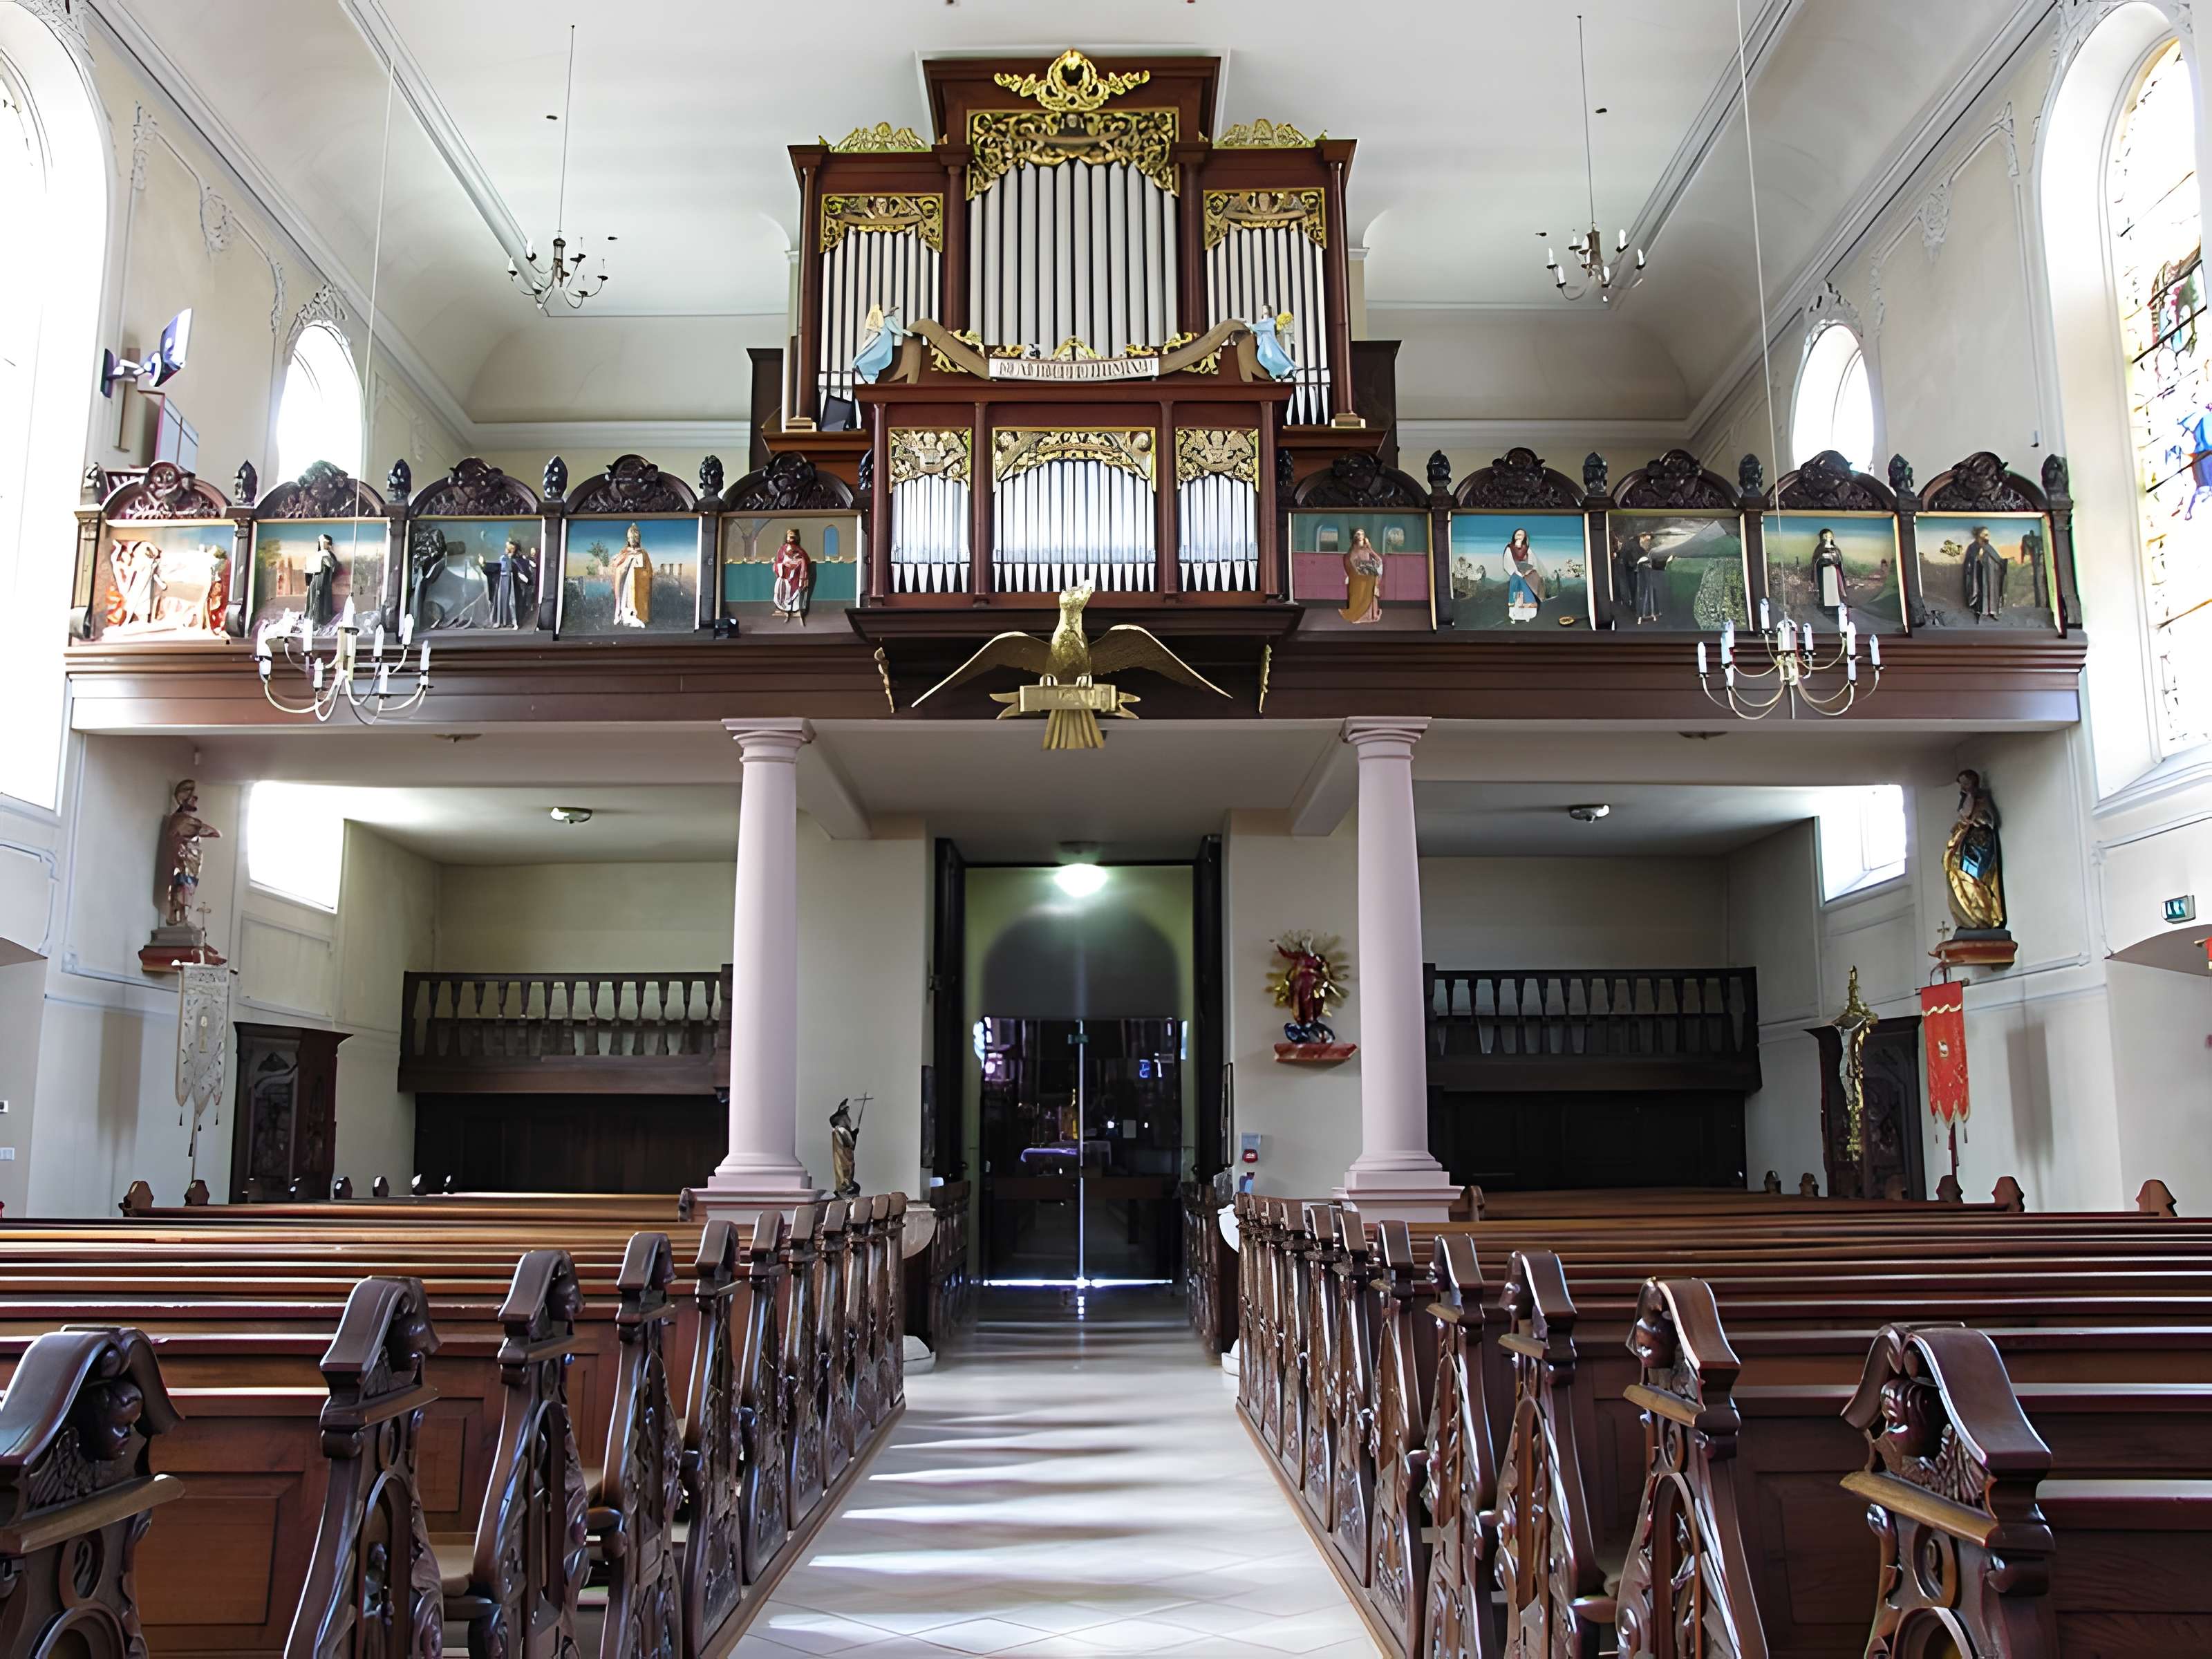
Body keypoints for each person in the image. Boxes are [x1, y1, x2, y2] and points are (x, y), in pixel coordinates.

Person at [156, 779, 221, 930]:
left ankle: (181, 918)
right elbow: (212, 832)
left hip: (191, 865)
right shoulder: (180, 819)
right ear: (184, 798)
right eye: (193, 796)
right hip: (181, 862)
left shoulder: (186, 820)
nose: (195, 800)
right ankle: (176, 918)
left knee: (186, 891)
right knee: (180, 891)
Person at [1618, 531, 1670, 624]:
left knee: (1641, 591)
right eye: (1648, 536)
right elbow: (1630, 560)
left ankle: (1639, 611)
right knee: (1635, 591)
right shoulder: (1632, 544)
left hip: (1638, 571)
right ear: (1642, 536)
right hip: (1630, 570)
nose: (1649, 539)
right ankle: (1636, 611)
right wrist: (1641, 560)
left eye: (1650, 537)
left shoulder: (1643, 546)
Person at [610, 523, 653, 628]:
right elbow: (617, 564)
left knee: (636, 600)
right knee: (626, 599)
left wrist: (644, 574)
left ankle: (638, 617)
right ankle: (625, 617)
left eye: (634, 538)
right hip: (627, 583)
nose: (632, 541)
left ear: (638, 539)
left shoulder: (643, 553)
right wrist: (626, 561)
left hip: (639, 583)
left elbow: (649, 570)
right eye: (630, 538)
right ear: (628, 540)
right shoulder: (625, 552)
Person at [1338, 527, 1383, 624]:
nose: (1360, 536)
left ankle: (1371, 615)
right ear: (1354, 536)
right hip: (1358, 577)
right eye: (1358, 534)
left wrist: (1370, 549)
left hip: (1367, 575)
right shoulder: (1353, 551)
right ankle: (1360, 616)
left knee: (1372, 584)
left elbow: (1379, 561)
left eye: (1362, 534)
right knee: (1368, 584)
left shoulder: (1366, 550)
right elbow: (1354, 566)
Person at [1962, 525, 2006, 620]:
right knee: (1979, 592)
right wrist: (1977, 557)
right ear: (1980, 535)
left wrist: (2003, 563)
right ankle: (1978, 611)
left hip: (1990, 576)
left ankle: (1991, 612)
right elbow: (1969, 562)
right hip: (1978, 575)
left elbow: (1997, 559)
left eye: (1988, 535)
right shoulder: (1972, 547)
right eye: (1986, 535)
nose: (1988, 537)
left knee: (1991, 592)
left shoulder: (1989, 547)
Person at [771, 526, 814, 621]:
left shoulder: (800, 551)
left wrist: (798, 564)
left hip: (797, 576)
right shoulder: (782, 550)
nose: (790, 539)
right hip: (785, 575)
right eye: (789, 536)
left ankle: (796, 610)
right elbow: (778, 562)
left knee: (798, 591)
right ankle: (783, 609)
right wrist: (782, 565)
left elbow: (806, 563)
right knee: (781, 589)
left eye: (792, 537)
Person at [1503, 527, 1546, 623]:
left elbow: (1532, 562)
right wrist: (1517, 572)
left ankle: (1530, 610)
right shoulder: (1509, 548)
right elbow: (1508, 562)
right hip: (1515, 574)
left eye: (1521, 535)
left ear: (1525, 537)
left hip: (1527, 573)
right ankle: (1515, 611)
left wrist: (1527, 571)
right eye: (1518, 534)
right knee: (1516, 585)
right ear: (1514, 536)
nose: (1519, 536)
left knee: (1527, 586)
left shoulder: (1528, 550)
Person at [303, 534, 341, 630]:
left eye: (325, 542)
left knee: (319, 602)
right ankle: (315, 623)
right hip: (318, 582)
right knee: (316, 601)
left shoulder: (327, 555)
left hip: (322, 582)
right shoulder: (320, 555)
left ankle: (317, 622)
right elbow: (309, 572)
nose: (323, 544)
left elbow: (332, 566)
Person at [1812, 527, 1846, 610]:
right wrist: (1824, 560)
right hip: (1824, 573)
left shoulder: (1836, 549)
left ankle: (1836, 605)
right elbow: (1815, 562)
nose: (1828, 538)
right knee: (1825, 590)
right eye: (1826, 537)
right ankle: (1824, 603)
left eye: (1830, 536)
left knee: (1835, 591)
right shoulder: (1819, 549)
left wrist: (1834, 560)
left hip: (1834, 572)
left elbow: (1840, 561)